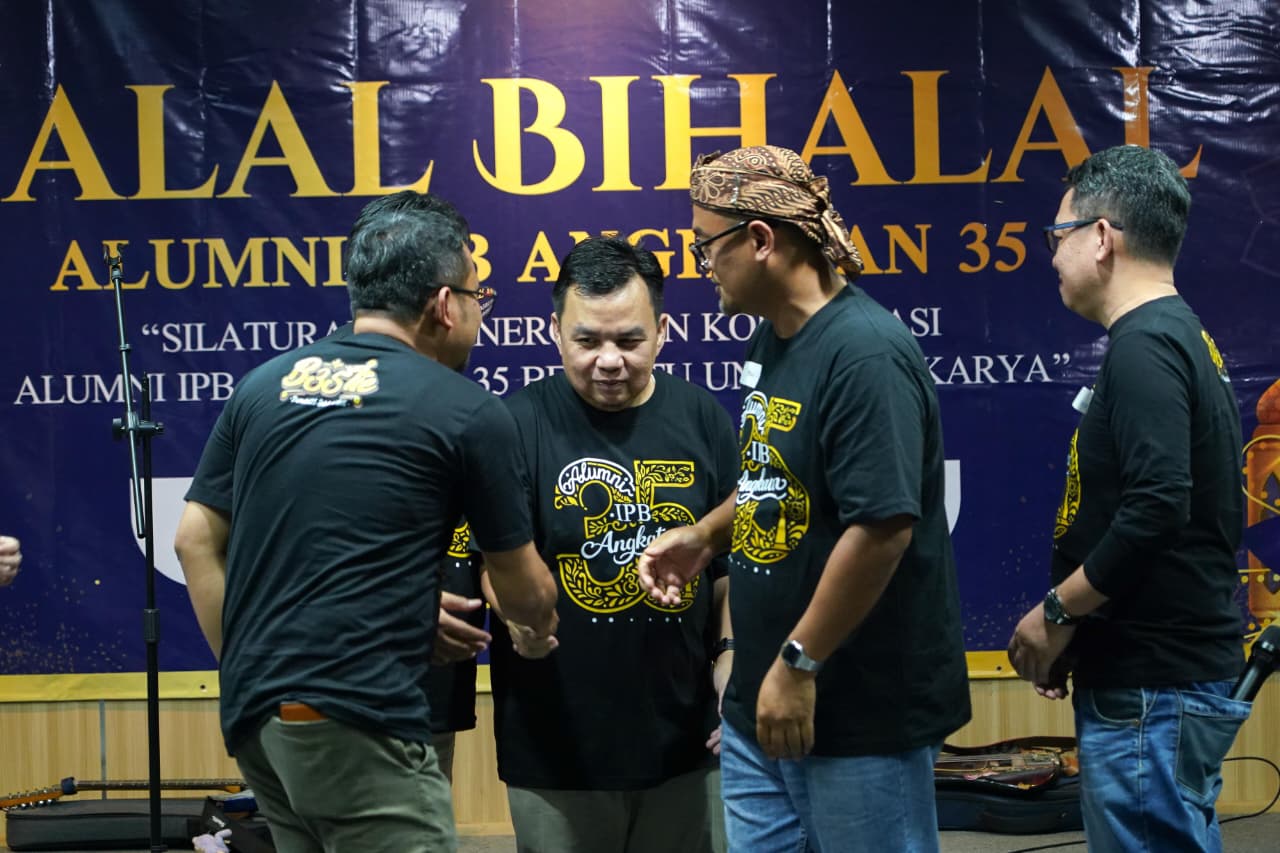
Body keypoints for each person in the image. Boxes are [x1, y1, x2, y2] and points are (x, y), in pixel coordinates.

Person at [174, 199, 559, 853]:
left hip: (256, 721)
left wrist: (255, 670)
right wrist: (536, 626)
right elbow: (521, 588)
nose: (480, 315)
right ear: (444, 305)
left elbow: (193, 540)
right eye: (479, 298)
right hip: (360, 717)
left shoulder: (262, 387)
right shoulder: (466, 410)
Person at [638, 145, 971, 852]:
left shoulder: (865, 354)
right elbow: (777, 478)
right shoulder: (774, 340)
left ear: (761, 239)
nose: (702, 266)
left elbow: (881, 528)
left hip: (852, 708)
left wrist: (799, 663)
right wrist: (706, 535)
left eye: (706, 245)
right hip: (761, 700)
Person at [1007, 144, 1249, 852]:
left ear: (1102, 238)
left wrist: (1059, 611)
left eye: (1057, 235)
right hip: (1158, 676)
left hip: (1154, 686)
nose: (1052, 255)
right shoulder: (1176, 335)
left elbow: (1157, 505)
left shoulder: (1147, 345)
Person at [487, 236, 738, 853]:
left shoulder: (703, 418)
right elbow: (492, 562)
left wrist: (732, 656)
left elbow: (731, 566)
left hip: (686, 740)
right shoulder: (513, 425)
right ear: (554, 332)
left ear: (663, 332)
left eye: (629, 341)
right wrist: (518, 620)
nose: (608, 361)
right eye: (587, 341)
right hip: (556, 744)